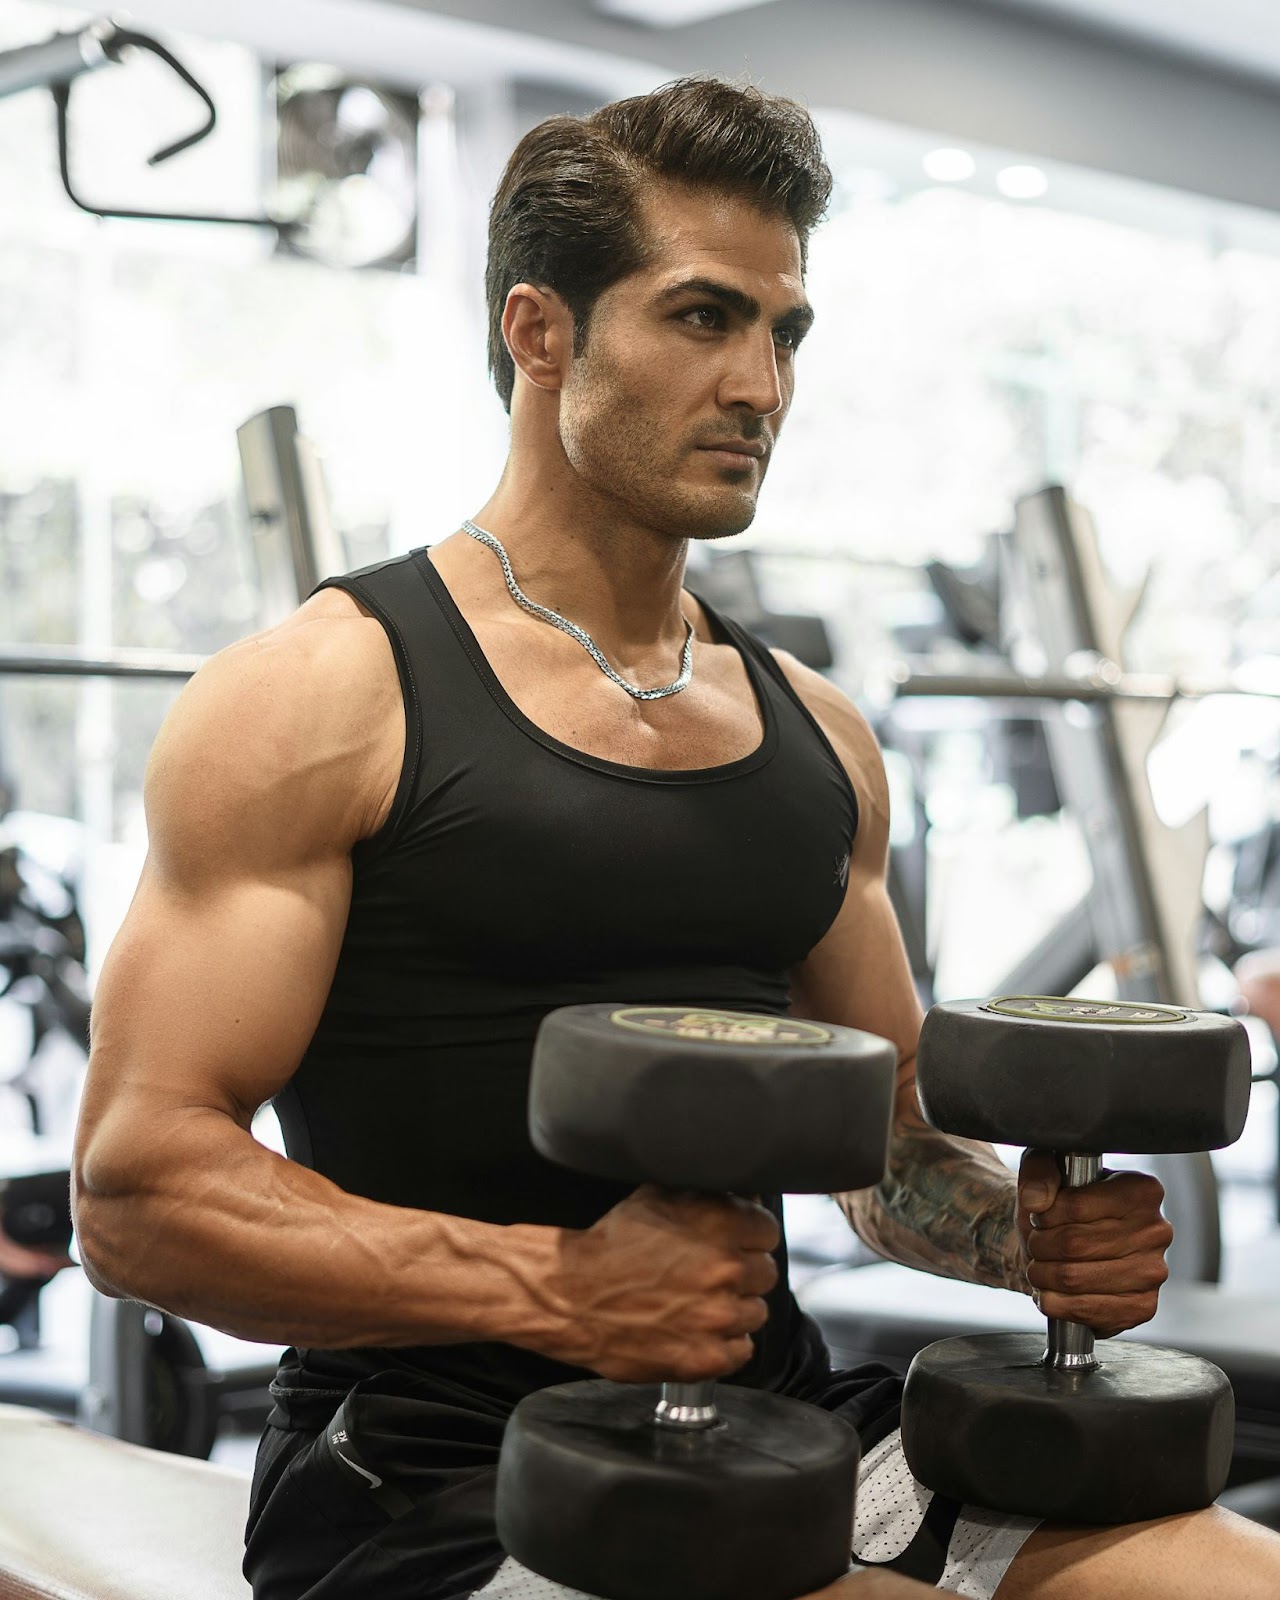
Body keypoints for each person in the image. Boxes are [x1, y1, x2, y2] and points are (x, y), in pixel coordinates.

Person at [73, 77, 1280, 1600]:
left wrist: (1017, 1244)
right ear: (539, 332)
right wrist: (565, 1292)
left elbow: (890, 1132)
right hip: (434, 1469)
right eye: (703, 318)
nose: (762, 384)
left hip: (783, 1431)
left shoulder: (817, 735)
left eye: (784, 334)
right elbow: (136, 1188)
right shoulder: (321, 696)